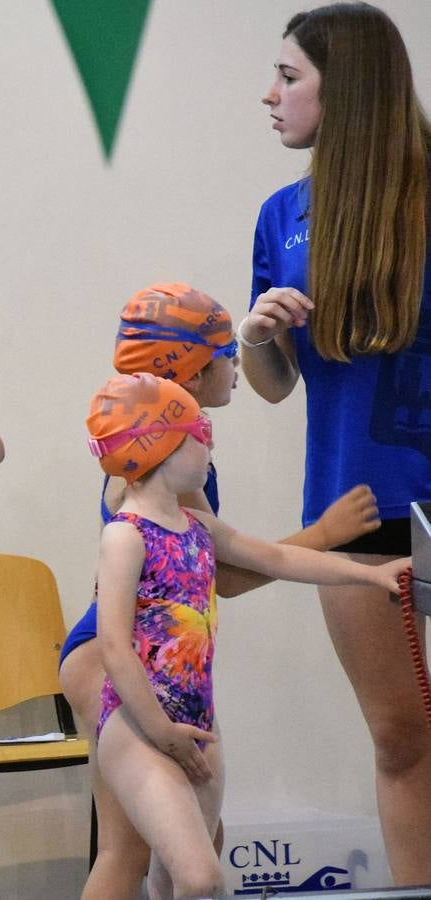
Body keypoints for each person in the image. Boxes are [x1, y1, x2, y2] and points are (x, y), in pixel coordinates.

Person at [59, 283, 381, 899]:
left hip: (156, 670)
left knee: (198, 844)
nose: (235, 365)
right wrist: (322, 534)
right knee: (128, 849)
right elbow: (228, 579)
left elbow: (217, 566)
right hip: (114, 661)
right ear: (188, 372)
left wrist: (359, 569)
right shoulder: (164, 480)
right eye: (226, 353)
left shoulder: (180, 467)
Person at [243, 2, 431, 881]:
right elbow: (279, 387)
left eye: (288, 77)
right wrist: (258, 338)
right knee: (399, 736)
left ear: (342, 89)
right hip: (353, 506)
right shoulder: (281, 214)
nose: (269, 96)